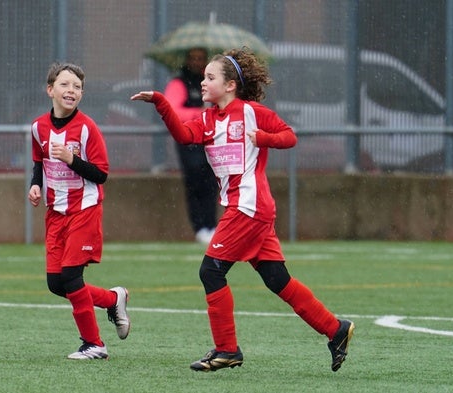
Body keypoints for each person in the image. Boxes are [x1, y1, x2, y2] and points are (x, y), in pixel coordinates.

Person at [131, 48, 354, 372]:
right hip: (246, 208)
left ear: (231, 85)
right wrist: (161, 103)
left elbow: (289, 137)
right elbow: (182, 134)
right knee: (277, 279)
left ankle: (227, 349)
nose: (203, 83)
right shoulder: (208, 119)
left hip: (249, 206)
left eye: (210, 78)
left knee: (210, 271)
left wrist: (263, 137)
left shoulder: (252, 112)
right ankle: (336, 329)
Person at [28, 62, 130, 360]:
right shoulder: (38, 128)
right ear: (50, 90)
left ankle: (94, 344)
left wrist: (72, 160)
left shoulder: (87, 128)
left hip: (84, 210)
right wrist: (36, 186)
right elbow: (39, 163)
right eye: (64, 84)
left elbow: (101, 174)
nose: (71, 90)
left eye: (77, 87)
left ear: (81, 95)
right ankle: (113, 299)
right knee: (57, 284)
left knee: (72, 277)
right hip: (55, 213)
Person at [164, 47, 218, 243]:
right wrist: (198, 113)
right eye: (193, 58)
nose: (197, 62)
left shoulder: (213, 83)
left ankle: (212, 226)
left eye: (201, 58)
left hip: (210, 141)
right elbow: (173, 112)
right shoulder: (179, 83)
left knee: (212, 183)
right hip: (189, 141)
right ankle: (200, 227)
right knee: (195, 181)